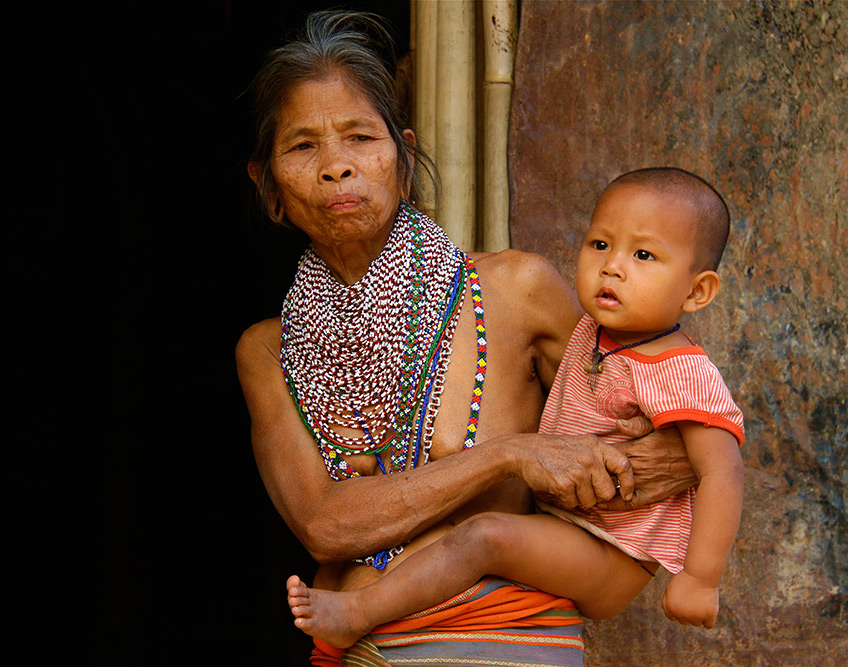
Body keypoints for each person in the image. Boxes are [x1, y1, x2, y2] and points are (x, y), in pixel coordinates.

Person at [237, 11, 698, 666]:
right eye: (303, 146)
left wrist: (675, 456)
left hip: (504, 644)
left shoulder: (516, 292)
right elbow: (326, 524)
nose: (337, 166)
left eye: (361, 137)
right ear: (269, 186)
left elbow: (674, 432)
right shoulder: (267, 350)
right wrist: (509, 455)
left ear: (402, 158)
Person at [284, 167, 745, 649]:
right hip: (566, 525)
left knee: (486, 537)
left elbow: (723, 473)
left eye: (644, 255)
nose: (612, 267)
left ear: (697, 292)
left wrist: (700, 578)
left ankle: (359, 613)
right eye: (600, 245)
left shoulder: (682, 371)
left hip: (612, 552)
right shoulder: (589, 333)